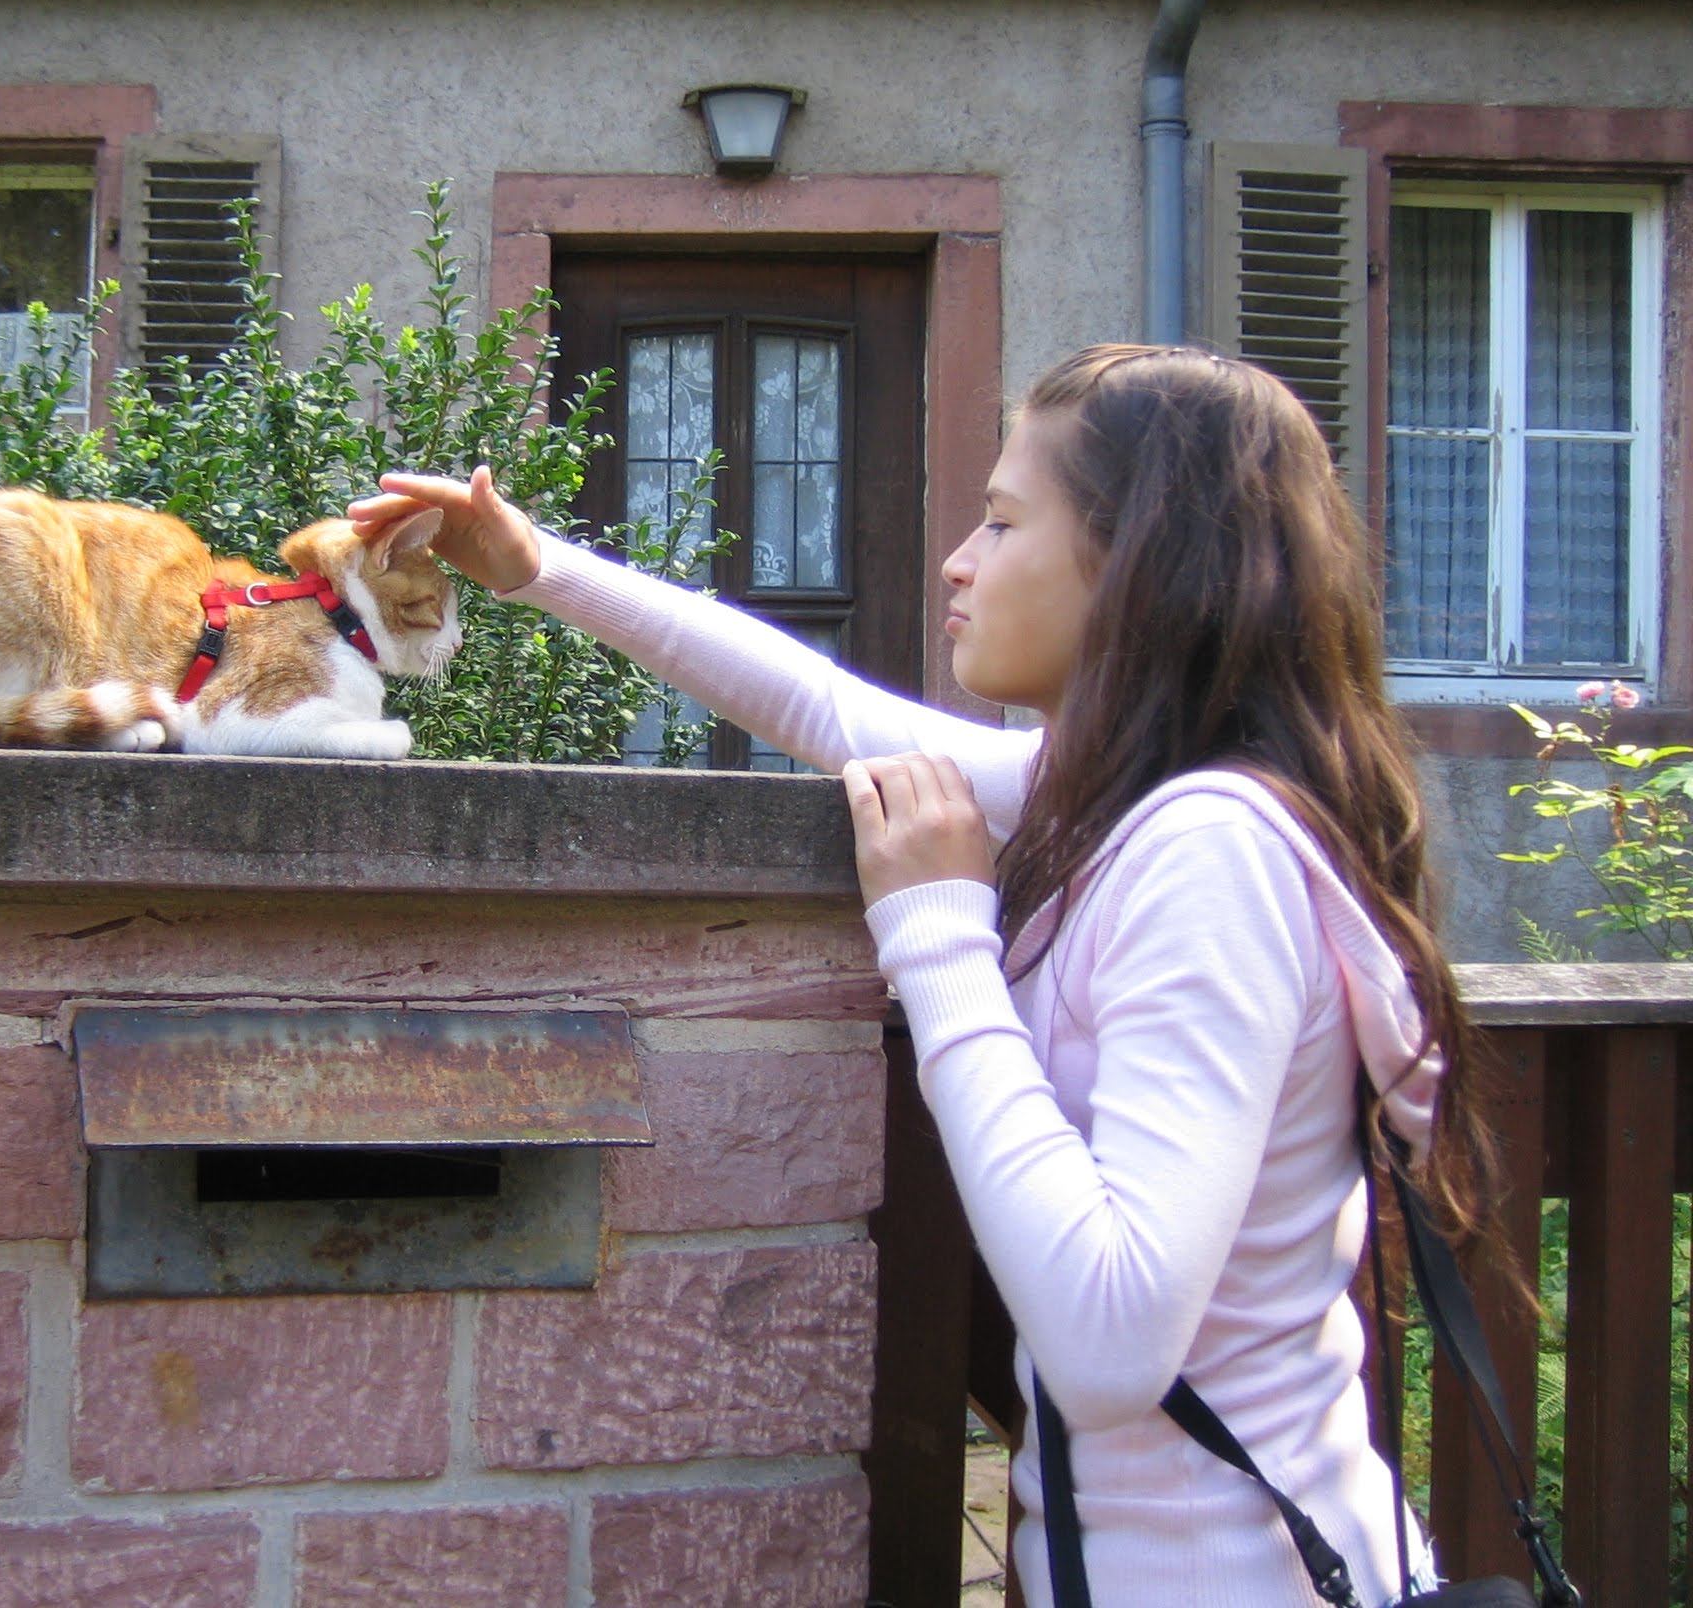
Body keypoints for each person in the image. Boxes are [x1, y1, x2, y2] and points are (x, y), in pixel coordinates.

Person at [352, 344, 1504, 1605]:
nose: (959, 560)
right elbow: (825, 710)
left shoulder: (1209, 853)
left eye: (1002, 521)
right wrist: (539, 567)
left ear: (1138, 563)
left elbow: (1110, 1340)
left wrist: (939, 933)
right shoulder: (1135, 806)